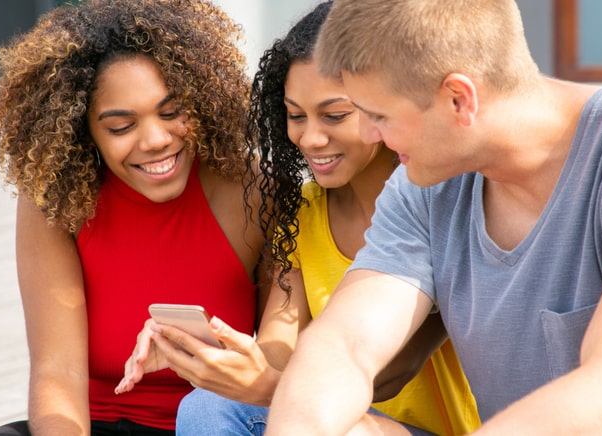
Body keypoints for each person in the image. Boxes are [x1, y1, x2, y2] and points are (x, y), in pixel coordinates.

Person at [264, 0, 602, 435]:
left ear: (458, 99)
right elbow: (343, 346)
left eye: (379, 115)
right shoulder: (422, 184)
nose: (369, 134)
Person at [114, 2, 480, 435]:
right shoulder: (304, 210)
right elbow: (278, 345)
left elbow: (389, 372)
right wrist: (215, 355)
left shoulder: (443, 200)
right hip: (328, 418)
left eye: (335, 115)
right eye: (295, 115)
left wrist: (268, 387)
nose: (311, 137)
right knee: (208, 406)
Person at [0, 0, 265, 434]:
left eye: (172, 113)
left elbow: (278, 358)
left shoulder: (248, 188)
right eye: (121, 127)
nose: (155, 140)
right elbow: (58, 374)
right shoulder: (55, 198)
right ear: (84, 130)